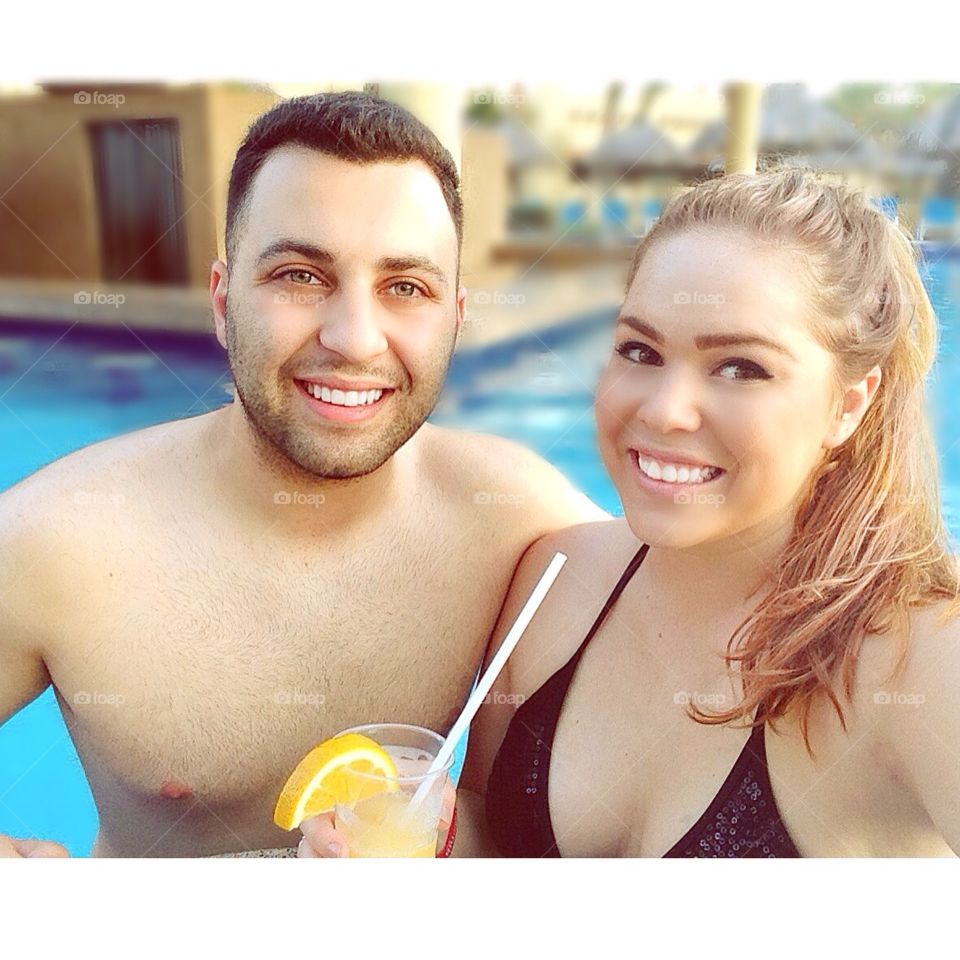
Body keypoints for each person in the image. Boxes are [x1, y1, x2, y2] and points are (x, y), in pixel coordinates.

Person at [0, 92, 605, 858]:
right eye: (299, 275)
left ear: (455, 316)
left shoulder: (521, 520)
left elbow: (723, 617)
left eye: (405, 288)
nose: (354, 339)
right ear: (223, 303)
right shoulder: (61, 539)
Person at [445, 170, 960, 857]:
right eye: (641, 351)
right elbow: (491, 839)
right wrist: (425, 836)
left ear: (848, 403)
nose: (662, 410)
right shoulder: (555, 579)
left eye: (740, 367)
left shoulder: (916, 659)